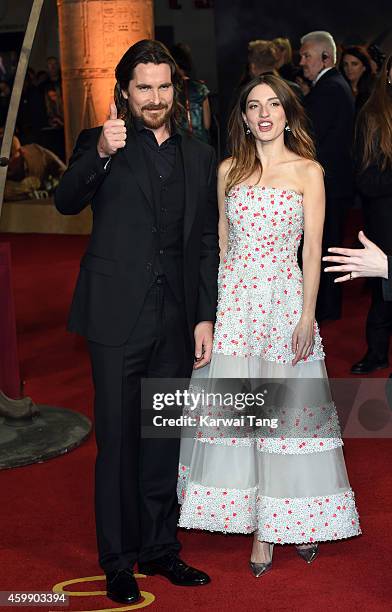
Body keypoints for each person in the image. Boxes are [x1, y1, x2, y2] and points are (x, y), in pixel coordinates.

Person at [54, 39, 219, 604]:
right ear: (124, 91)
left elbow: (203, 245)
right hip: (115, 318)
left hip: (175, 320)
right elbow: (65, 201)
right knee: (118, 442)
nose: (154, 98)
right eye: (143, 87)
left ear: (177, 90)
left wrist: (203, 317)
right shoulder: (101, 143)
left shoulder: (199, 155)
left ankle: (159, 548)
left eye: (163, 87)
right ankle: (118, 561)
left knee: (161, 439)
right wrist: (100, 149)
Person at [177, 74, 361, 577]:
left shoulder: (309, 172)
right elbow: (220, 245)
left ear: (287, 113)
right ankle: (261, 522)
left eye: (273, 104)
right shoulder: (228, 171)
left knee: (288, 421)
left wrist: (307, 316)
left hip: (283, 306)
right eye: (254, 105)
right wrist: (210, 317)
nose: (263, 113)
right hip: (237, 308)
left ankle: (287, 520)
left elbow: (312, 252)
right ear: (242, 117)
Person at [324, 55, 392, 373]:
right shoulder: (373, 116)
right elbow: (366, 180)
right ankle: (377, 354)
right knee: (383, 296)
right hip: (385, 221)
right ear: (388, 75)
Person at [300, 31, 355, 321]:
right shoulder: (333, 85)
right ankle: (327, 308)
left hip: (330, 185)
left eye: (306, 55)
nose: (301, 61)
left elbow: (309, 136)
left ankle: (326, 310)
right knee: (328, 247)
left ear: (326, 57)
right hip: (333, 183)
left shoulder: (330, 88)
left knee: (326, 249)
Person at [170, 43, 211, 143]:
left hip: (178, 144)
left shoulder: (170, 89)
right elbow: (207, 124)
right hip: (200, 143)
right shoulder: (200, 88)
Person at [340, 46, 375, 112]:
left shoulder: (373, 91)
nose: (349, 68)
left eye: (354, 64)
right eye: (345, 64)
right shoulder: (338, 89)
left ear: (364, 67)